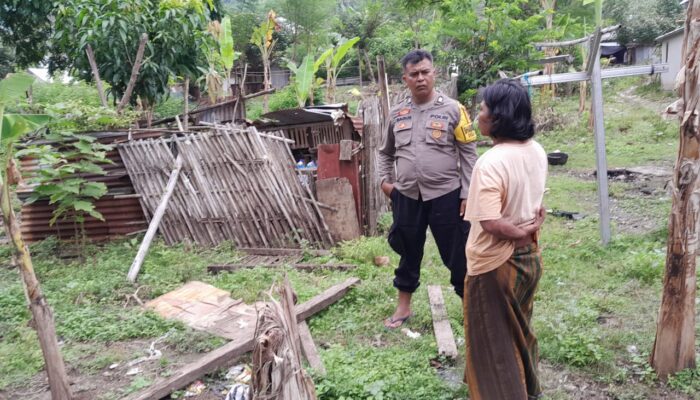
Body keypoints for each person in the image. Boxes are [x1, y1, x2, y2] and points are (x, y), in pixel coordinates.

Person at [377, 49, 478, 329]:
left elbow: (469, 154)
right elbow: (385, 152)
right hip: (408, 195)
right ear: (405, 79)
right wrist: (385, 181)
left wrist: (468, 193)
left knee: (457, 253)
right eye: (414, 74)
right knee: (408, 251)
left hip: (446, 194)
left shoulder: (454, 109)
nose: (421, 78)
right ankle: (403, 307)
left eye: (425, 72)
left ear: (434, 73)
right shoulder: (398, 113)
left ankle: (469, 305)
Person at [462, 79, 548, 400]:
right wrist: (529, 232)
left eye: (482, 108)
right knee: (518, 330)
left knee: (494, 343)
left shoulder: (491, 162)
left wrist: (521, 231)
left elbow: (492, 223)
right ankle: (530, 388)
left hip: (495, 266)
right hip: (528, 261)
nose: (478, 115)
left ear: (498, 116)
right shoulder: (536, 151)